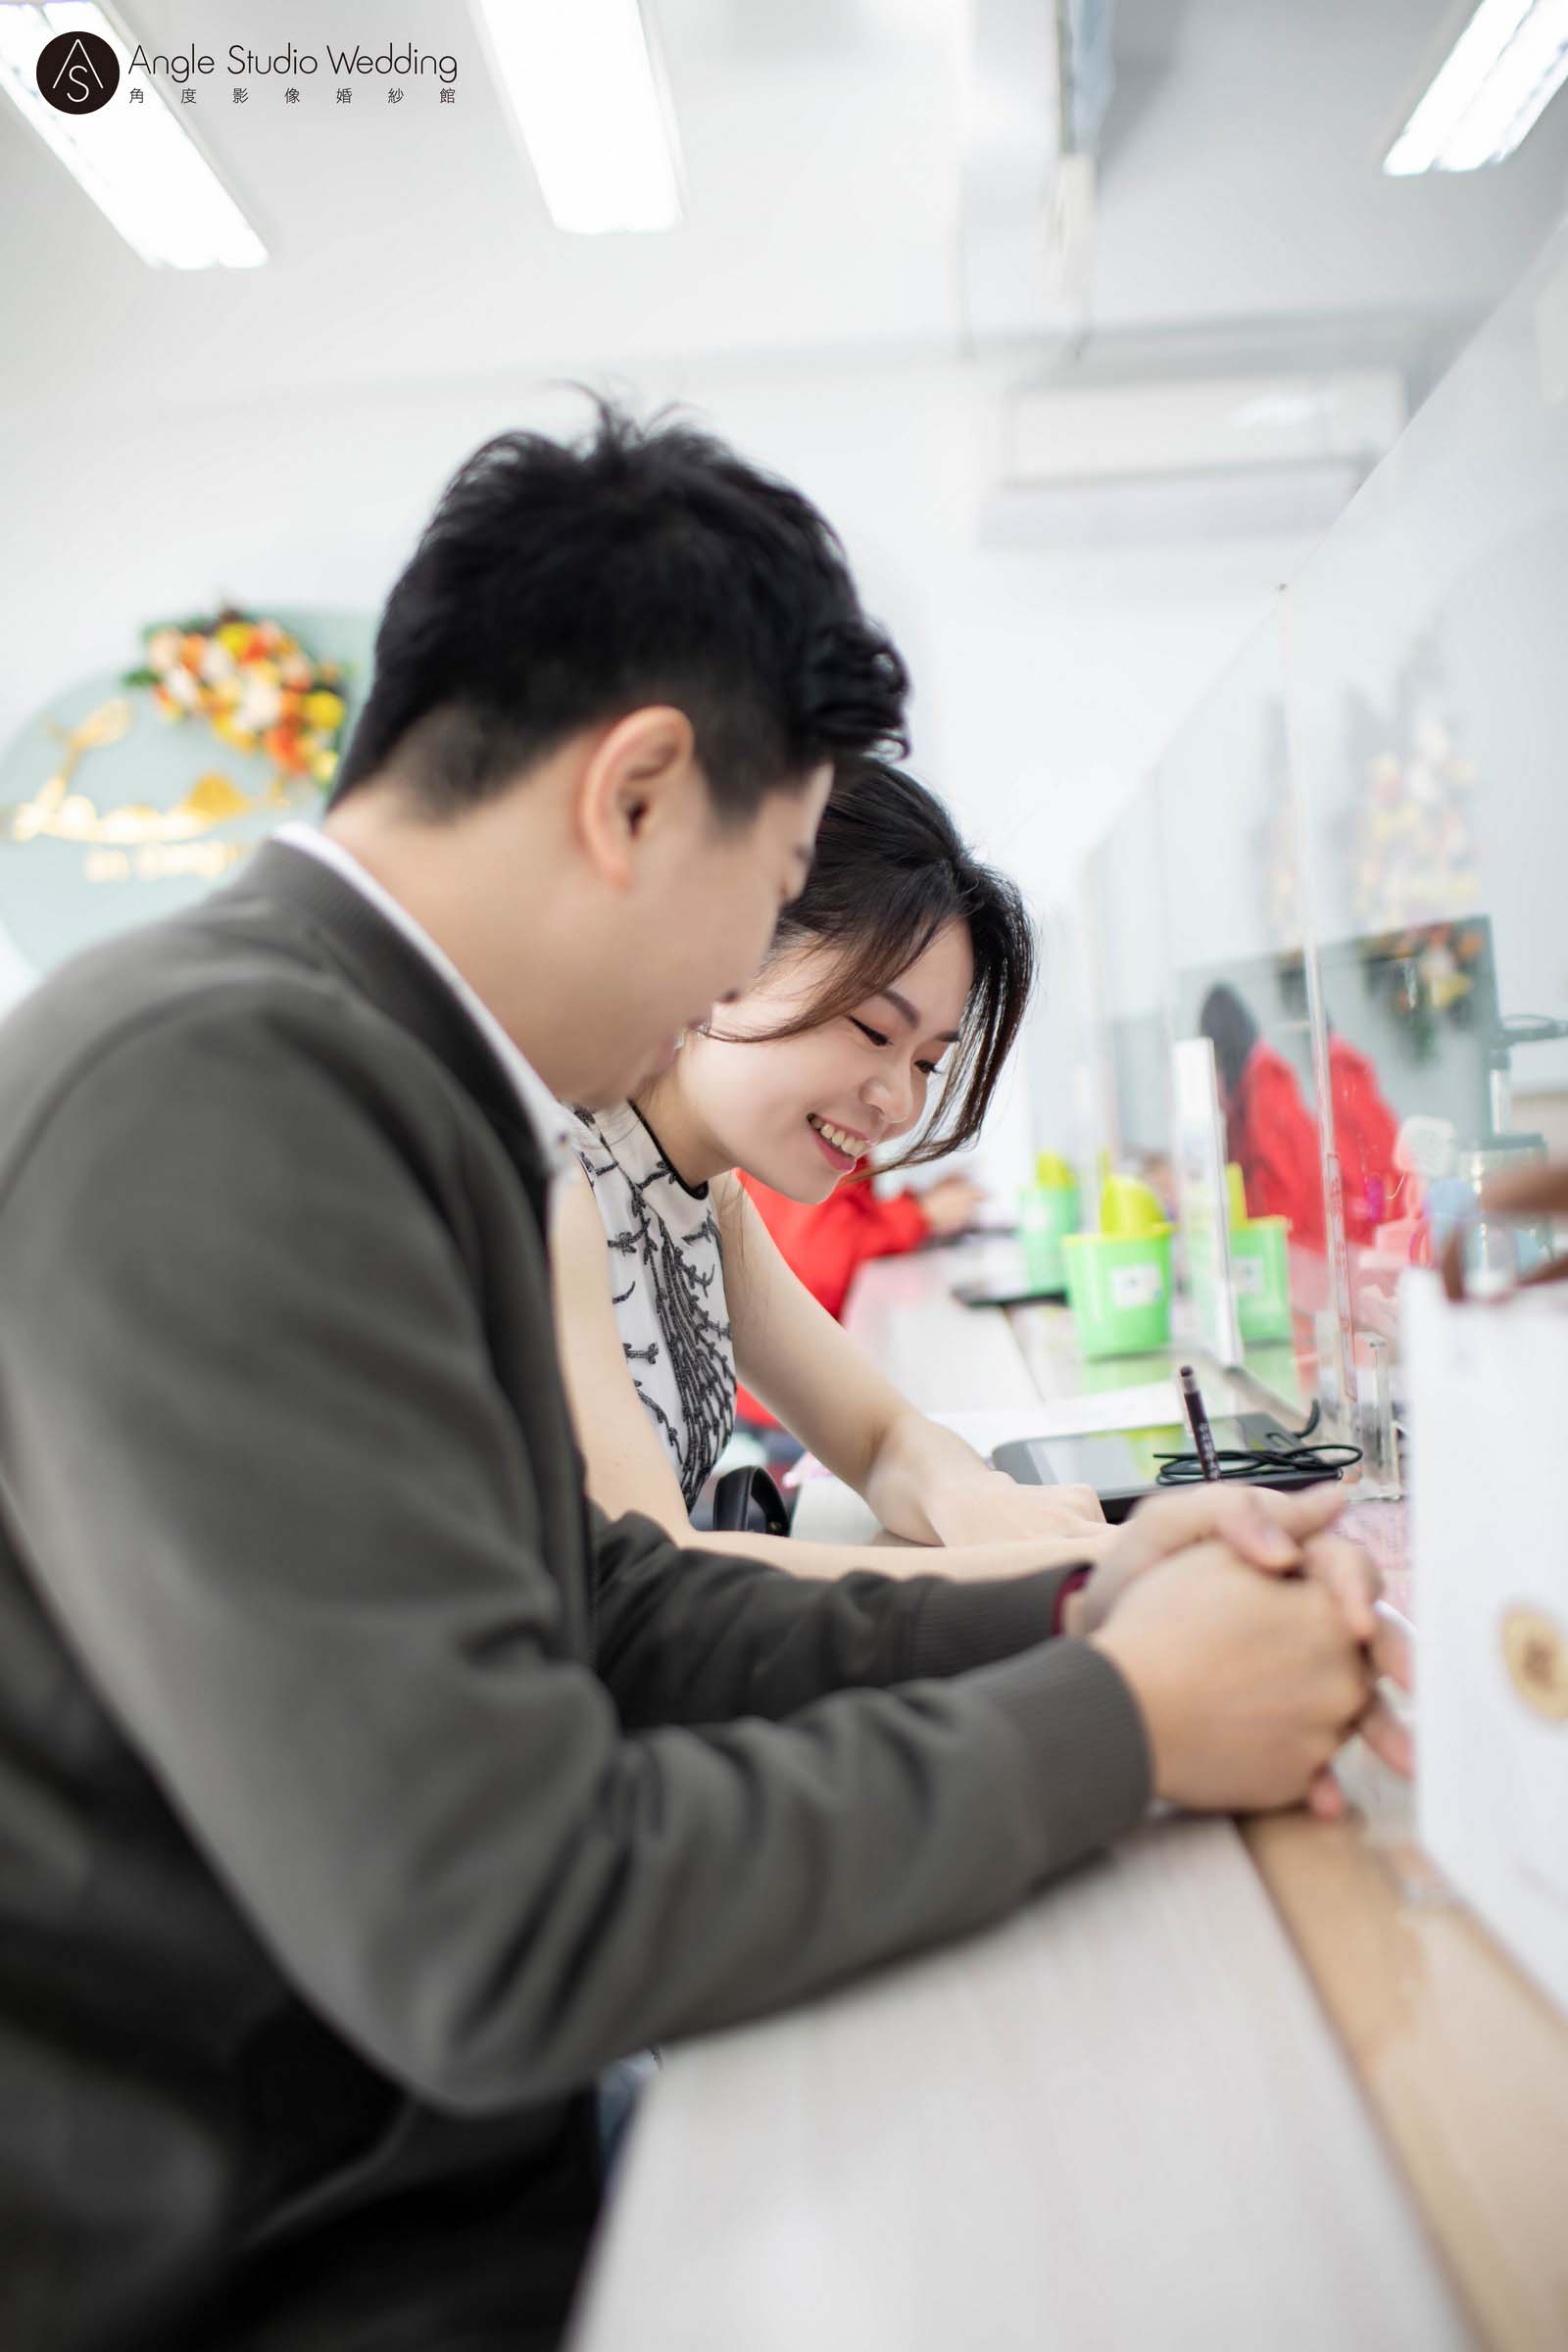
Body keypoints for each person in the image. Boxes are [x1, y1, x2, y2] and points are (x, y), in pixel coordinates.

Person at [0, 406, 1400, 2352]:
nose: (749, 966)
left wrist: (1072, 1612)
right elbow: (503, 1925)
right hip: (295, 2265)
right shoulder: (222, 1096)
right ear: (638, 794)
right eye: (781, 879)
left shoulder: (385, 1081)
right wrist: (1125, 1722)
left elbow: (610, 1608)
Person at [554, 756, 1110, 1569]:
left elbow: (880, 1437)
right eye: (874, 1030)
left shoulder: (707, 1196)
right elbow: (651, 1574)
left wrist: (983, 1502)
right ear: (724, 950)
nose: (899, 1101)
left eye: (927, 1062)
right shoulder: (561, 1170)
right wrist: (1051, 1576)